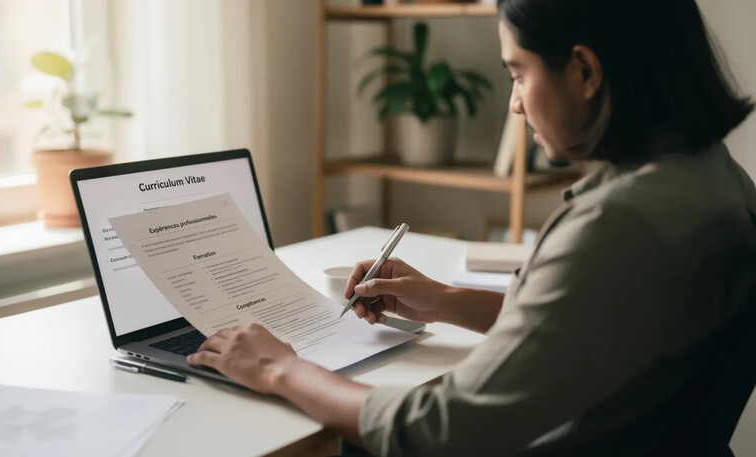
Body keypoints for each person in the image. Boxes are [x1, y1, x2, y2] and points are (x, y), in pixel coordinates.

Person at [188, 0, 756, 455]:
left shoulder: (622, 222)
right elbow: (595, 322)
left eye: (518, 73)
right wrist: (444, 300)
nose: (514, 104)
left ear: (584, 71)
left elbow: (440, 429)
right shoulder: (713, 178)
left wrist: (279, 367)